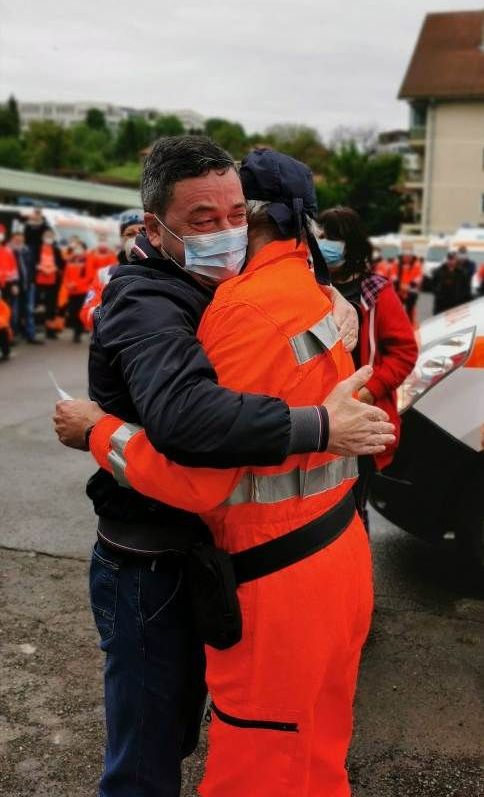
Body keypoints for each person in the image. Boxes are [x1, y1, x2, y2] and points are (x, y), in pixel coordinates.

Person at [54, 137, 394, 797]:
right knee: (152, 757)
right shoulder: (153, 299)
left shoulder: (243, 296)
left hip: (240, 565)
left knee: (225, 747)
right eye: (203, 220)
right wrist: (320, 425)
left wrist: (101, 430)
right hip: (155, 561)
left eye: (236, 214)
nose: (226, 232)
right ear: (154, 227)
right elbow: (189, 424)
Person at [318, 207, 418, 530]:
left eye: (331, 237)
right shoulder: (313, 286)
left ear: (350, 243)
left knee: (353, 509)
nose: (323, 243)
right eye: (320, 236)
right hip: (319, 413)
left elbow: (404, 351)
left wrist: (369, 392)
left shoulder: (376, 292)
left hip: (360, 412)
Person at [80, 209, 145, 332]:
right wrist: (117, 314)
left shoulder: (166, 270)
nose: (136, 238)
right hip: (113, 346)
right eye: (130, 234)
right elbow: (86, 314)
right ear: (122, 239)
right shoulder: (106, 274)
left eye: (142, 233)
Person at [8, 231, 42, 344]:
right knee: (14, 312)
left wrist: (32, 281)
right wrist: (13, 283)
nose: (19, 241)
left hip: (28, 285)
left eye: (21, 238)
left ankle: (30, 335)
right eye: (17, 239)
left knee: (29, 311)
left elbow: (32, 267)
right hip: (14, 286)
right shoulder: (9, 251)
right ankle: (11, 336)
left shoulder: (27, 250)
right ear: (12, 239)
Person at [35, 227, 64, 339]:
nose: (49, 238)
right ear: (43, 237)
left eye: (51, 236)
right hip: (39, 282)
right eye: (47, 236)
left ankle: (50, 331)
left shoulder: (56, 250)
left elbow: (61, 264)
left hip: (53, 283)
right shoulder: (37, 249)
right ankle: (38, 329)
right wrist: (39, 267)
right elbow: (33, 262)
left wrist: (55, 268)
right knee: (39, 306)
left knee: (51, 307)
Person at [62, 241, 91, 343]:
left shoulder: (87, 261)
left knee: (80, 313)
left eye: (79, 248)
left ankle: (77, 333)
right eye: (76, 248)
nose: (77, 250)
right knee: (72, 313)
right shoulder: (70, 260)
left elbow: (88, 277)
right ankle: (77, 330)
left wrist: (76, 284)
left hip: (82, 291)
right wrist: (68, 284)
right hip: (71, 292)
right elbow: (65, 275)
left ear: (84, 250)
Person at [390, 244, 423, 326]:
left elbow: (418, 278)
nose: (407, 258)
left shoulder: (417, 264)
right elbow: (393, 275)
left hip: (411, 291)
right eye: (406, 256)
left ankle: (411, 326)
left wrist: (408, 287)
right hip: (399, 290)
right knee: (396, 310)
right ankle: (395, 325)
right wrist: (400, 285)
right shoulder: (397, 263)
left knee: (410, 310)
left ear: (411, 256)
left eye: (409, 256)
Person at [433, 250, 469, 315]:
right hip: (441, 303)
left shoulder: (462, 273)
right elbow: (433, 284)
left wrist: (464, 301)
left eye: (453, 259)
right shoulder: (440, 271)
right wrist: (437, 292)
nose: (451, 261)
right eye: (449, 259)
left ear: (456, 260)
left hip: (455, 303)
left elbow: (466, 289)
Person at [0, 289, 12, 361]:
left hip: (2, 328)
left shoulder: (3, 306)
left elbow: (6, 317)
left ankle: (5, 352)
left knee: (3, 332)